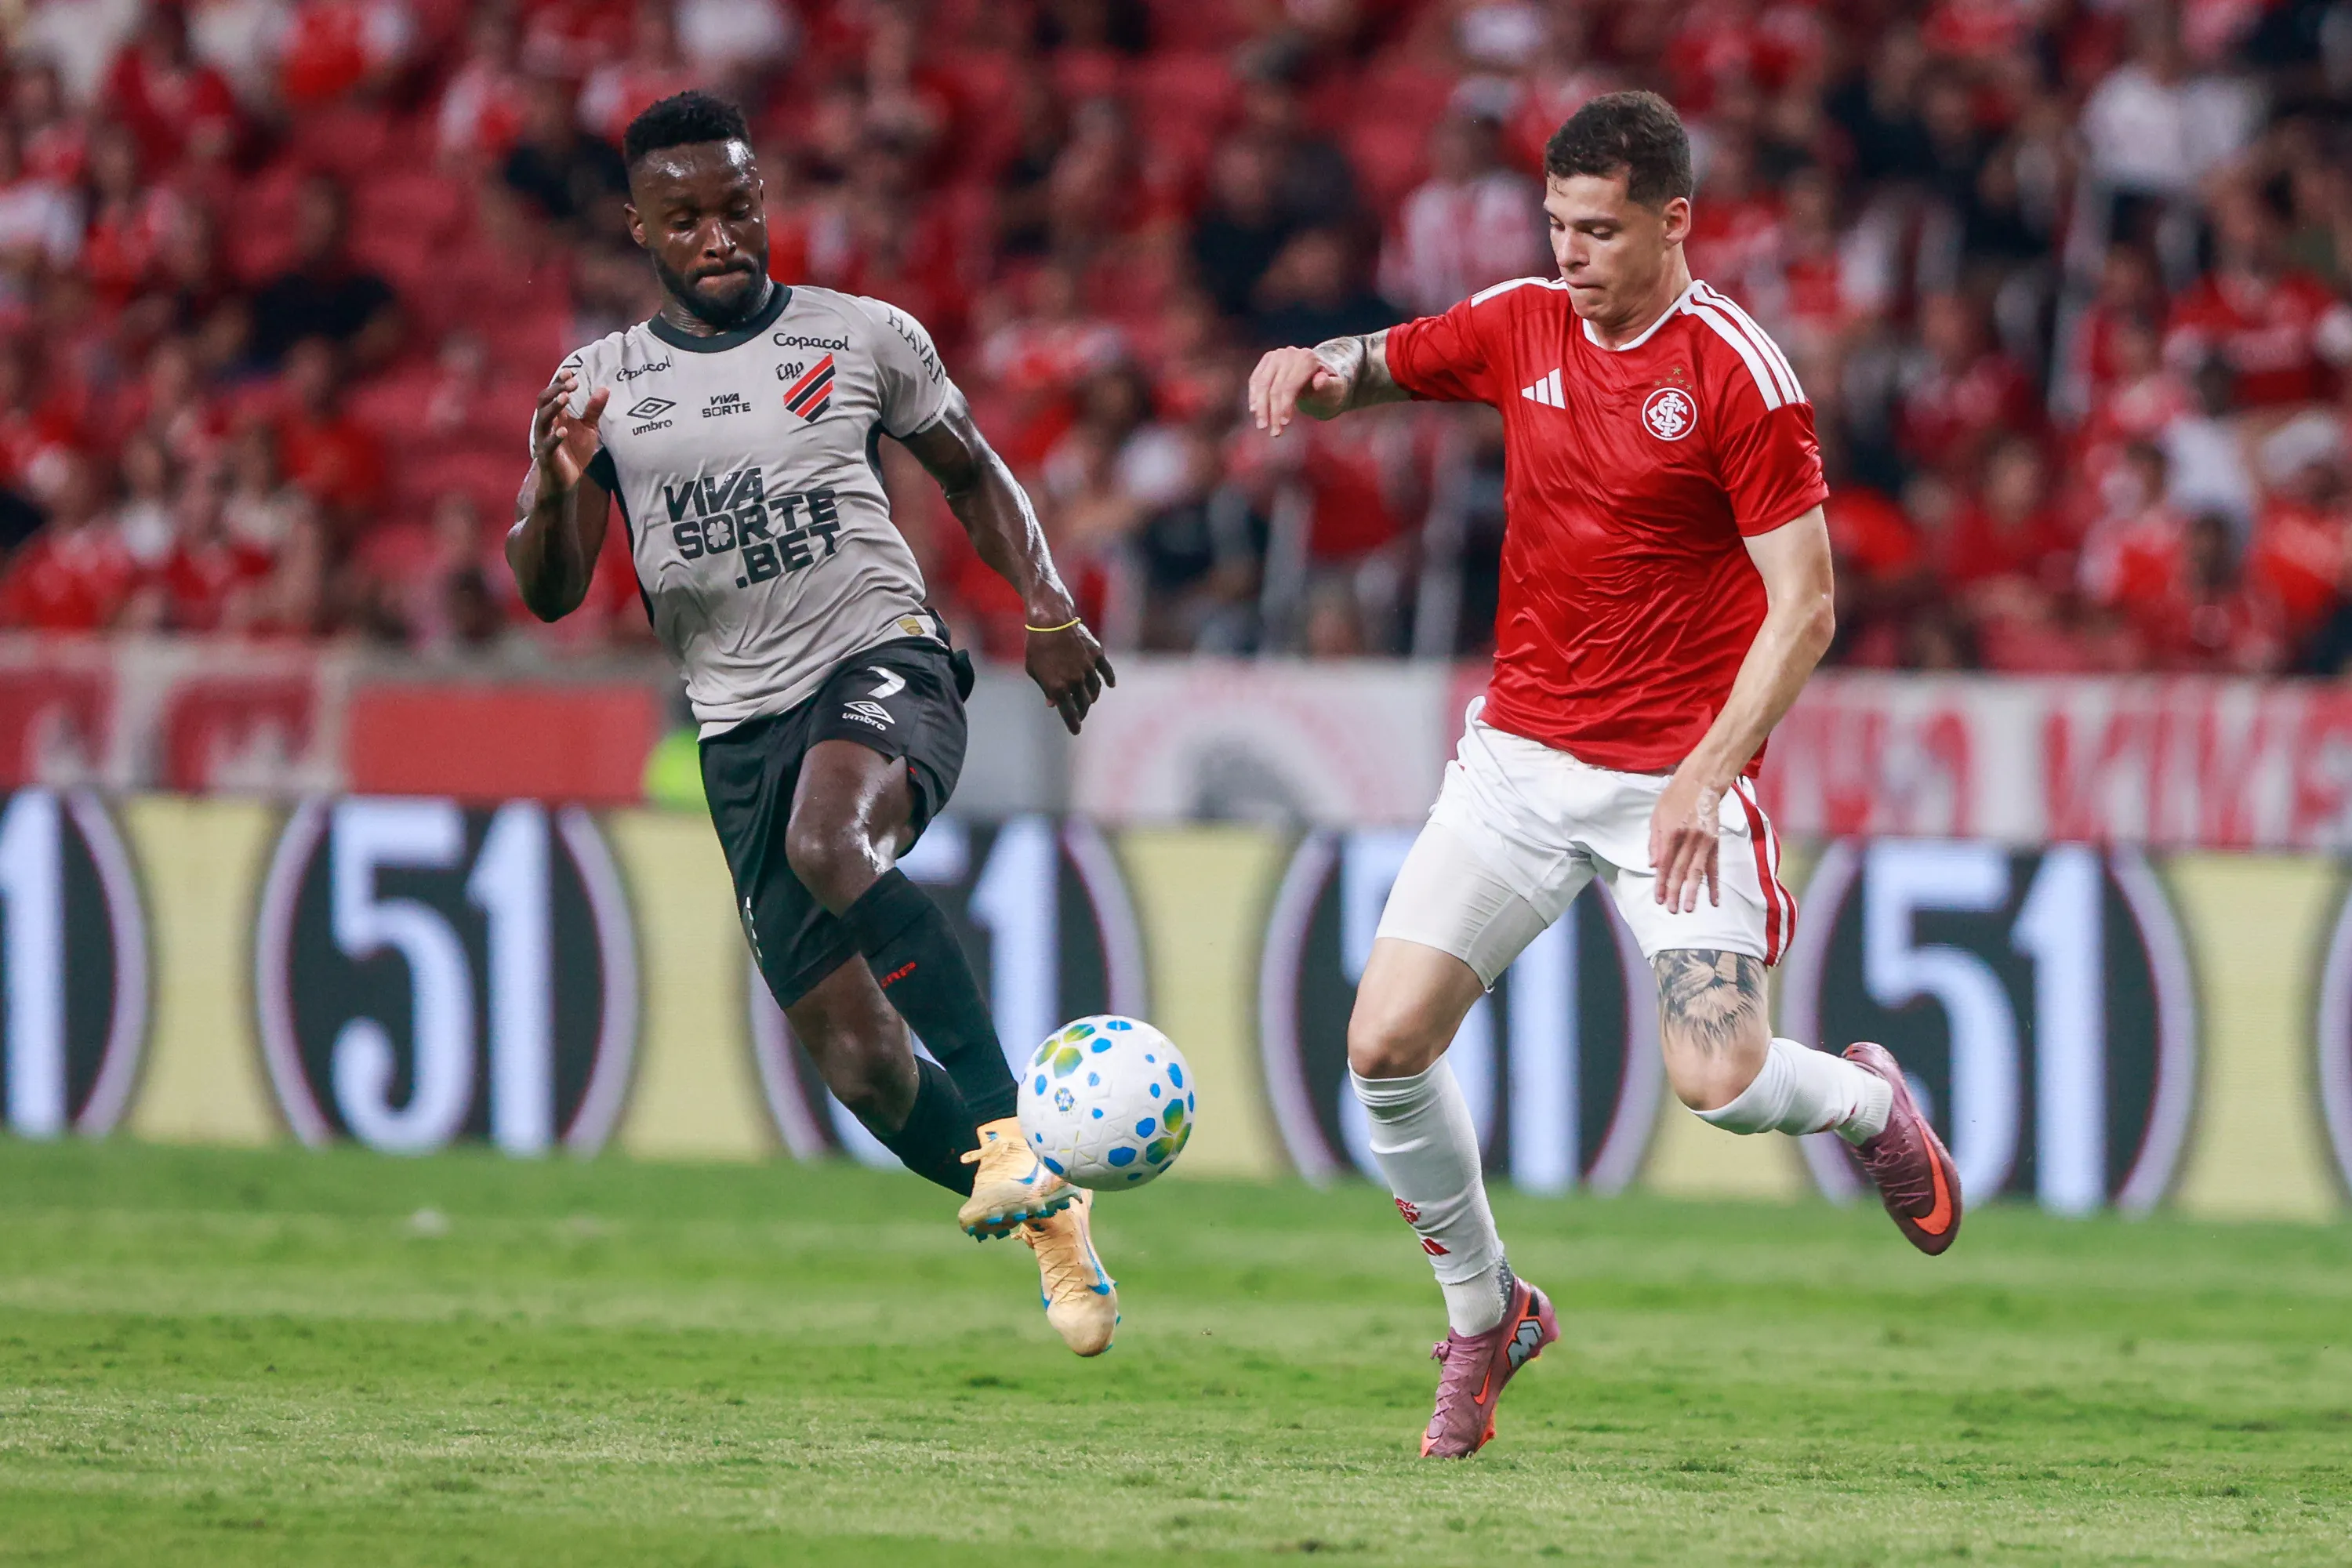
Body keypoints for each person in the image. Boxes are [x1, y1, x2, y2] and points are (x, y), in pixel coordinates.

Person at [1247, 91, 1962, 1460]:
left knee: (1721, 1080)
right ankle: (1487, 1312)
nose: (1570, 254)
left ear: (1673, 221)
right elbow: (1383, 363)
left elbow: (1805, 607)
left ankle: (1869, 1102)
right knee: (1382, 1047)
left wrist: (1708, 772)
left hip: (1668, 787)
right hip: (1515, 763)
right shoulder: (1523, 321)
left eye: (1599, 230)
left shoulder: (1740, 374)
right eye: (1557, 225)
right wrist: (1310, 362)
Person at [508, 92, 1122, 1356]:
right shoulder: (602, 385)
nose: (720, 237)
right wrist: (555, 483)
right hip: (739, 729)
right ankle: (1051, 1220)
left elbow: (970, 472)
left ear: (764, 200)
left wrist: (1047, 603)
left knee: (831, 841)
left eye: (738, 207)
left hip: (880, 661)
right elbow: (551, 589)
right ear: (640, 229)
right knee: (863, 1066)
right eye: (686, 219)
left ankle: (1008, 1129)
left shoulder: (861, 337)